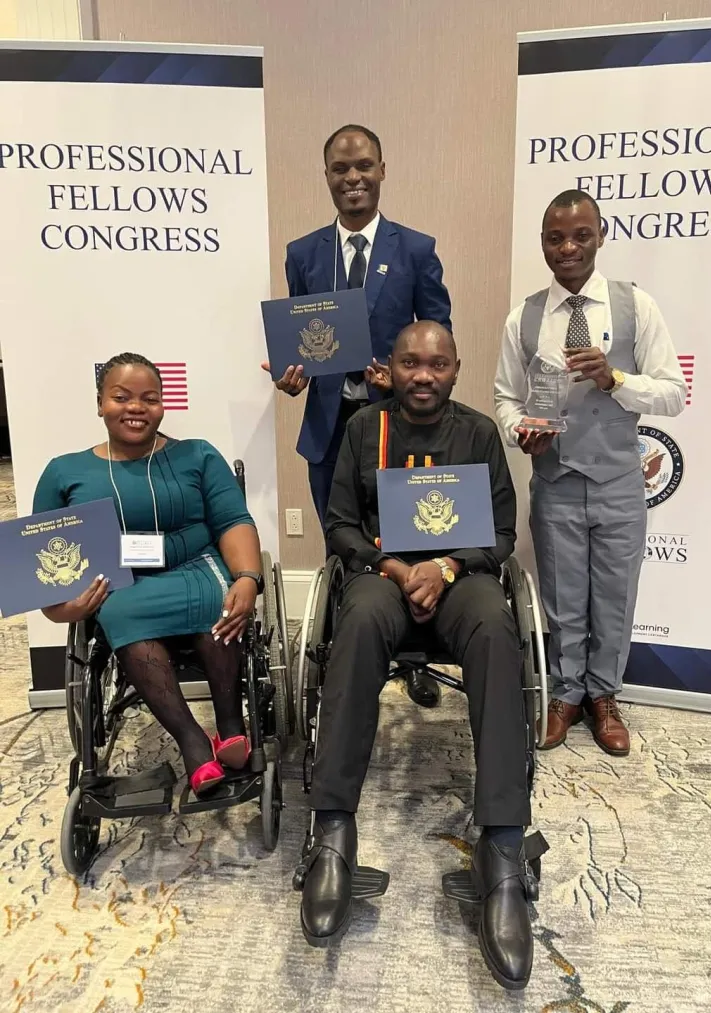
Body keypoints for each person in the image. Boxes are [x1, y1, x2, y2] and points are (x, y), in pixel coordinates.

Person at [297, 322, 537, 991]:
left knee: (495, 626)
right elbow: (340, 521)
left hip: (460, 576)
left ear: (456, 369)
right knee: (360, 618)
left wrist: (447, 566)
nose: (423, 375)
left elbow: (503, 531)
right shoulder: (362, 429)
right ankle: (333, 829)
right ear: (391, 368)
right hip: (386, 574)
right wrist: (398, 568)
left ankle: (503, 845)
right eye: (410, 362)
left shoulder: (479, 432)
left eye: (437, 364)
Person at [262, 123, 452, 709]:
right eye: (341, 169)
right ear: (326, 177)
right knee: (342, 545)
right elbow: (302, 341)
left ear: (382, 170)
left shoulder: (415, 249)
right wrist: (290, 377)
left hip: (397, 428)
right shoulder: (303, 253)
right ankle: (347, 655)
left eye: (364, 166)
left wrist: (399, 379)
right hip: (328, 429)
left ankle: (414, 655)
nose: (353, 178)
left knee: (410, 540)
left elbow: (438, 338)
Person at [494, 190, 687, 756]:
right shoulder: (524, 317)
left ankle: (605, 697)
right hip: (554, 481)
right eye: (556, 238)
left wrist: (616, 380)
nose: (568, 247)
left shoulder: (635, 306)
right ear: (544, 244)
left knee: (614, 596)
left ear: (601, 235)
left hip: (620, 482)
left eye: (581, 235)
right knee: (563, 596)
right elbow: (506, 397)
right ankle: (567, 694)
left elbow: (674, 394)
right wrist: (518, 430)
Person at [34, 353, 264, 796]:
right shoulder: (65, 471)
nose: (136, 407)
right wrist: (63, 609)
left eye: (149, 398)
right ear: (100, 403)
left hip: (196, 565)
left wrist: (247, 578)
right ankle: (192, 740)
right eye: (121, 397)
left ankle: (230, 725)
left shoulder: (196, 453)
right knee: (119, 612)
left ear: (163, 405)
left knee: (222, 603)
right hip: (120, 582)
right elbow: (43, 553)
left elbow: (234, 520)